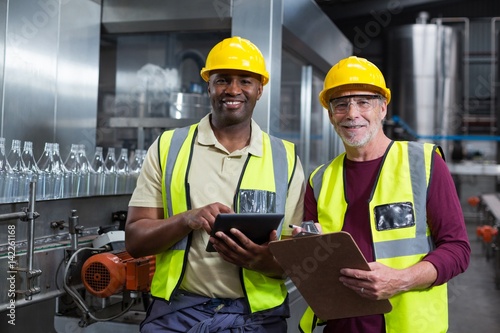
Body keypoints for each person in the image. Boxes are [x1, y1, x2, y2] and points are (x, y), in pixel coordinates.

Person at [125, 36, 305, 333]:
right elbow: (135, 241)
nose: (233, 90)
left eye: (245, 81)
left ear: (260, 88)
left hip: (257, 319)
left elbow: (300, 258)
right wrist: (187, 219)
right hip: (175, 315)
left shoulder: (284, 158)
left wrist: (262, 260)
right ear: (208, 85)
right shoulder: (168, 147)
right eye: (223, 80)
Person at [297, 56, 470, 333]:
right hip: (340, 326)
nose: (352, 113)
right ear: (330, 114)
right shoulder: (319, 179)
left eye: (363, 102)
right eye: (341, 104)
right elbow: (312, 263)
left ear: (383, 108)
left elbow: (458, 250)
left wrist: (402, 279)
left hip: (406, 325)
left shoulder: (423, 163)